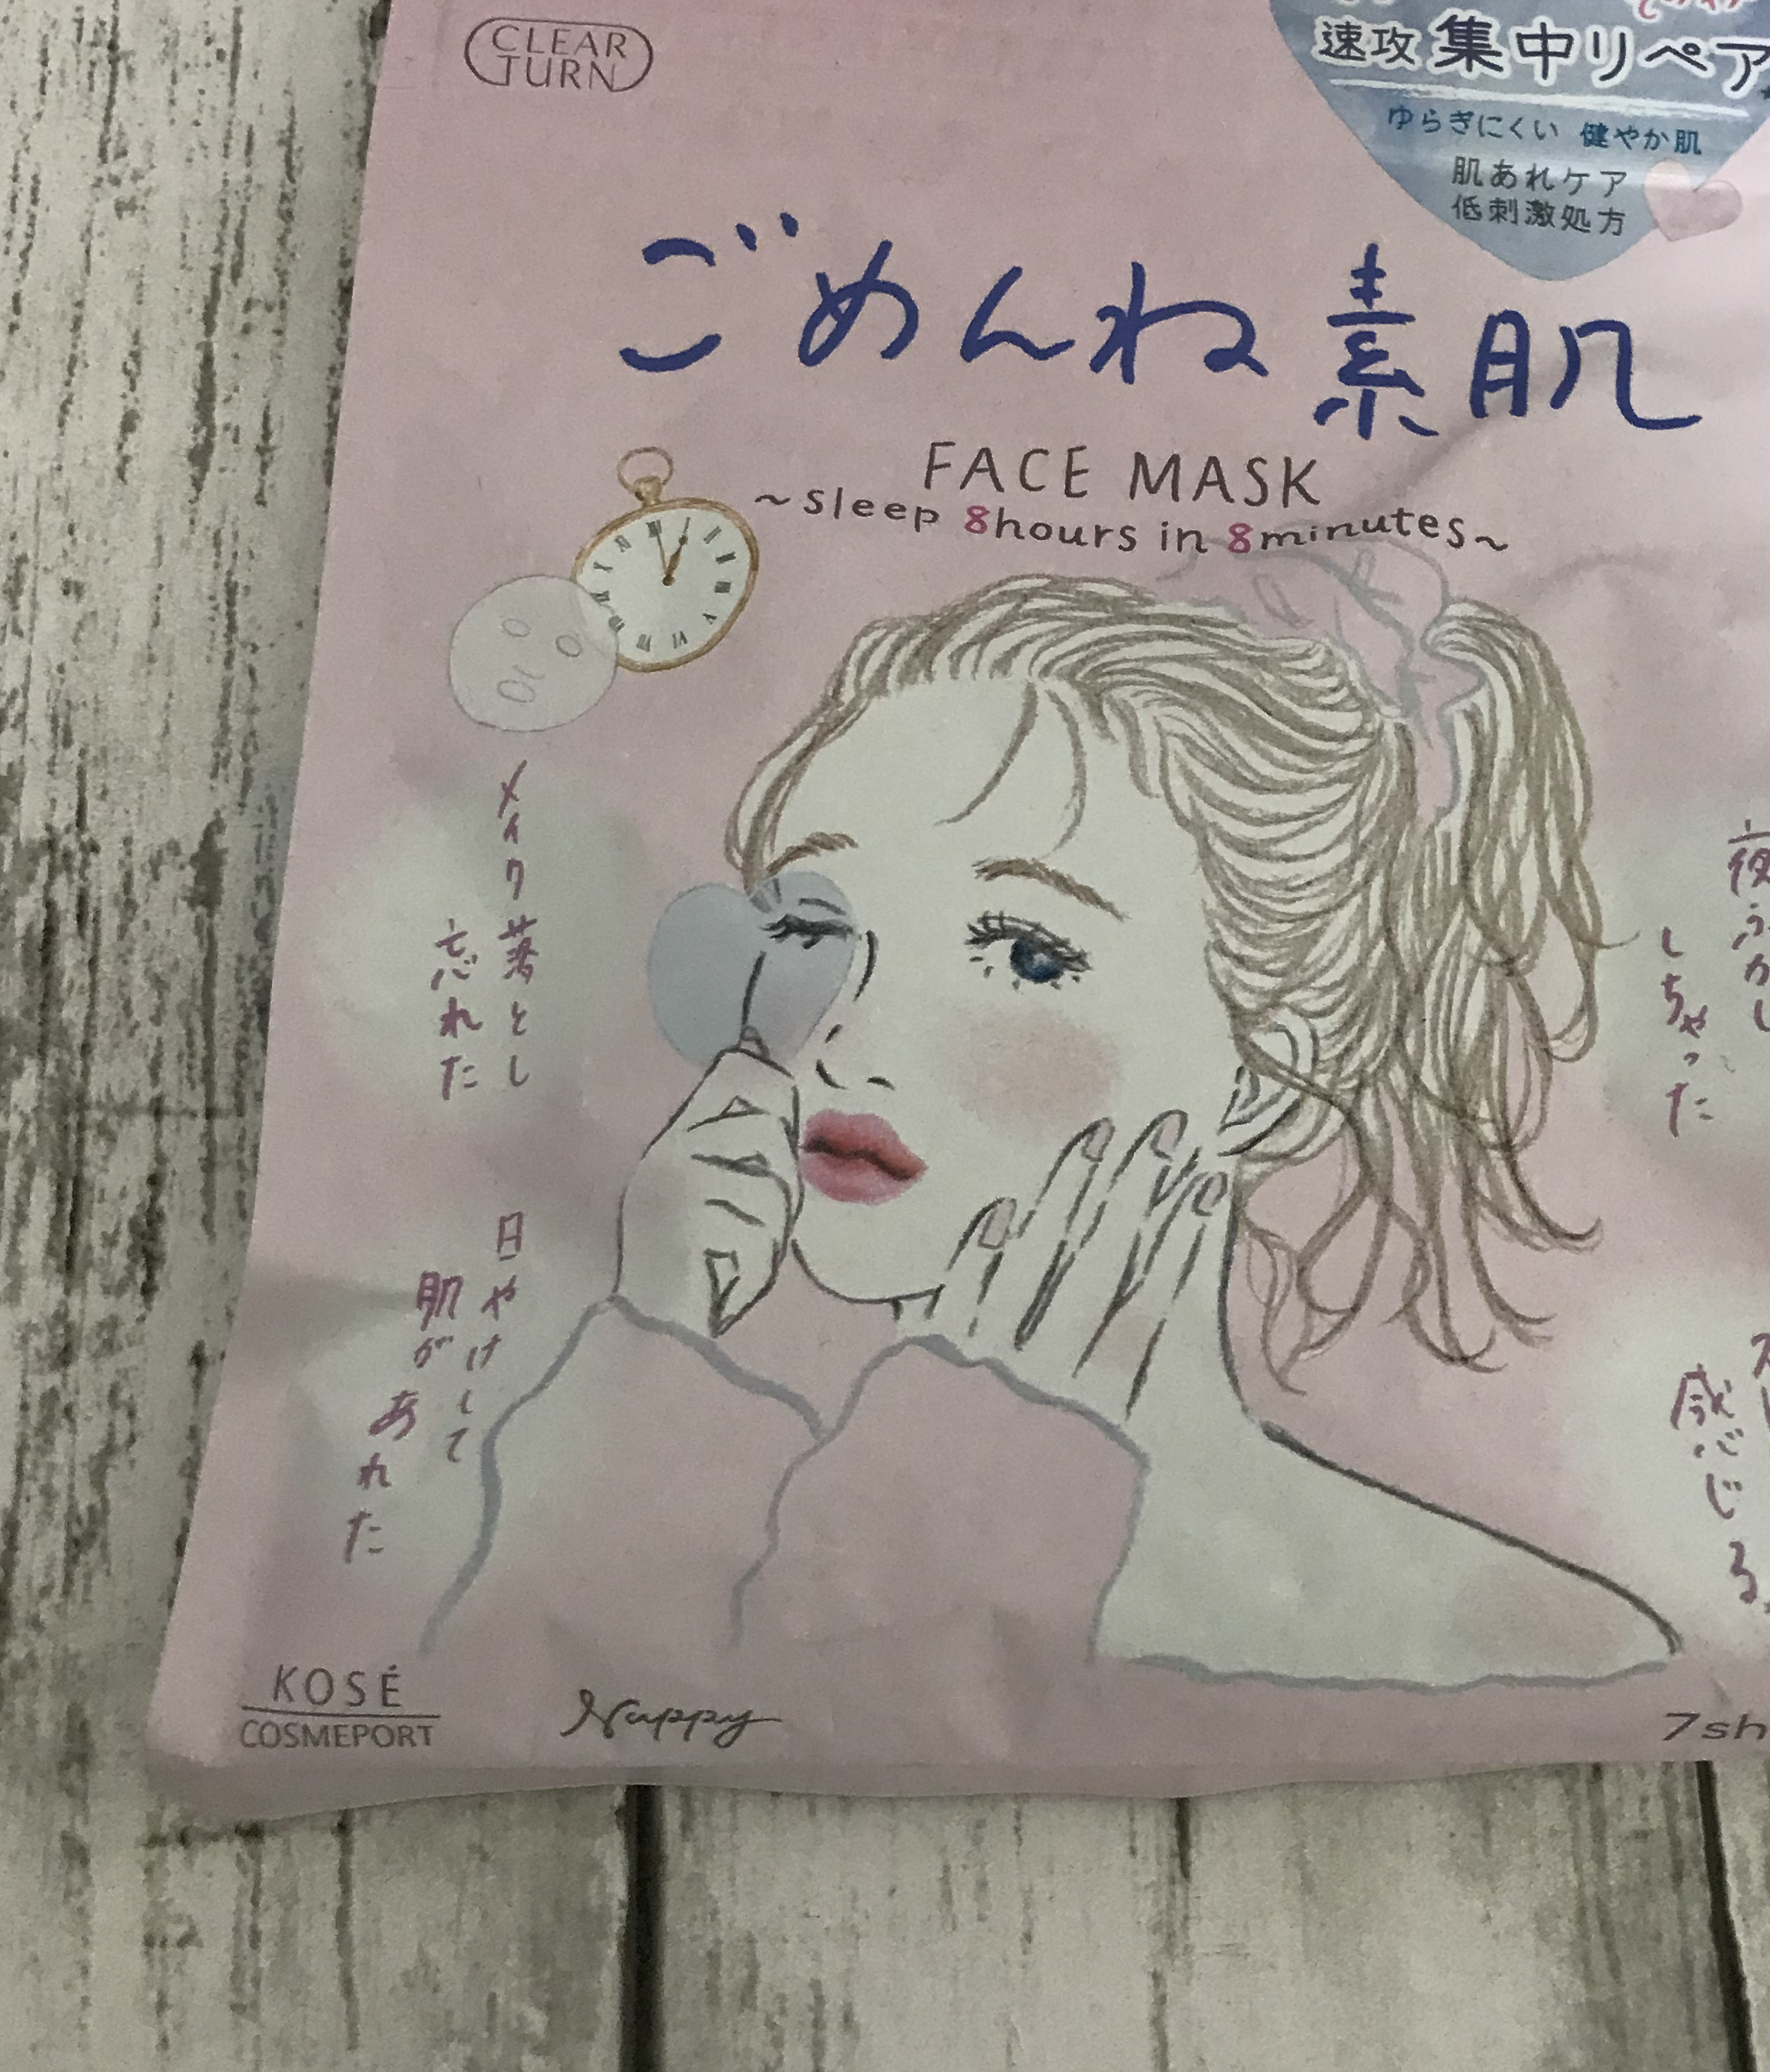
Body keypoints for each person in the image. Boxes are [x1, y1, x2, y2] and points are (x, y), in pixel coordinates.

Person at [587, 551, 1673, 1688]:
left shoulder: (1526, 1644)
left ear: (1270, 1078)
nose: (847, 1031)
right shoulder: (705, 1481)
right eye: (814, 928)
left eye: (1026, 954)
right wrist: (654, 1340)